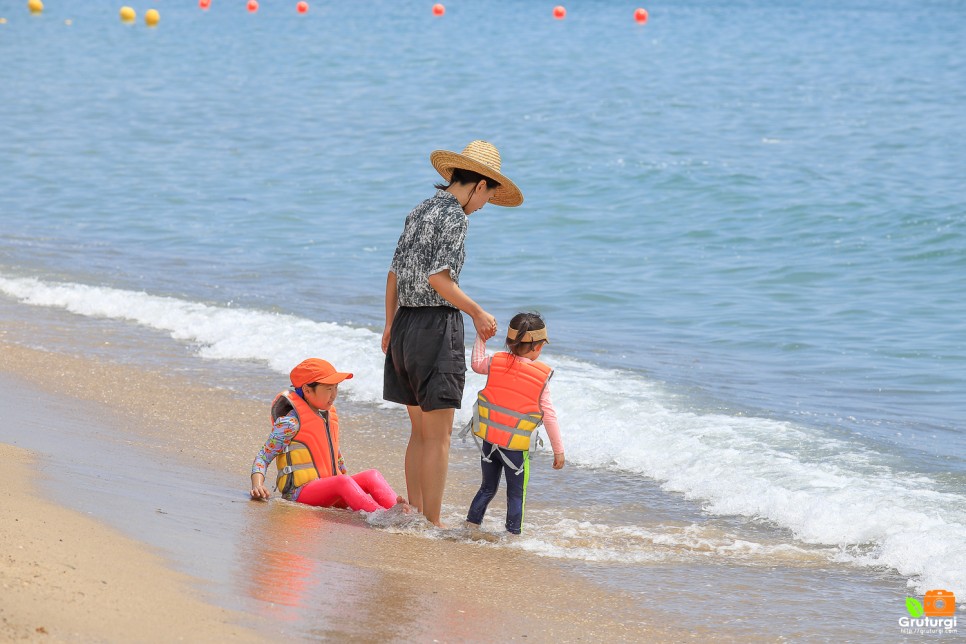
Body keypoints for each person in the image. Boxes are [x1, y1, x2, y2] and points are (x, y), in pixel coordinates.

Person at [382, 140, 524, 528]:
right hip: (435, 327)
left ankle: (412, 513)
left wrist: (390, 325)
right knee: (438, 436)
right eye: (487, 197)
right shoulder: (457, 218)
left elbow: (394, 272)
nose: (483, 207)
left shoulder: (419, 210)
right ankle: (432, 522)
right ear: (479, 185)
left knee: (418, 432)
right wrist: (477, 312)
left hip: (405, 326)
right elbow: (438, 278)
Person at [250, 358, 402, 512]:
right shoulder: (290, 422)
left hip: (331, 489)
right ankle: (380, 516)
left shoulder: (327, 417)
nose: (334, 394)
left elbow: (337, 457)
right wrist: (257, 485)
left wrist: (351, 488)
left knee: (371, 475)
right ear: (308, 390)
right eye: (329, 389)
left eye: (336, 388)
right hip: (299, 493)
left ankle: (400, 512)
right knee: (342, 482)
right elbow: (263, 456)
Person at [463, 312, 565, 535]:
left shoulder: (496, 362)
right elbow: (548, 415)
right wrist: (559, 451)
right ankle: (512, 536)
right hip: (516, 450)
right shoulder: (540, 377)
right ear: (537, 347)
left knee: (487, 488)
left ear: (510, 342)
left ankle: (470, 526)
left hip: (489, 443)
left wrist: (481, 337)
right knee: (516, 494)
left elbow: (477, 364)